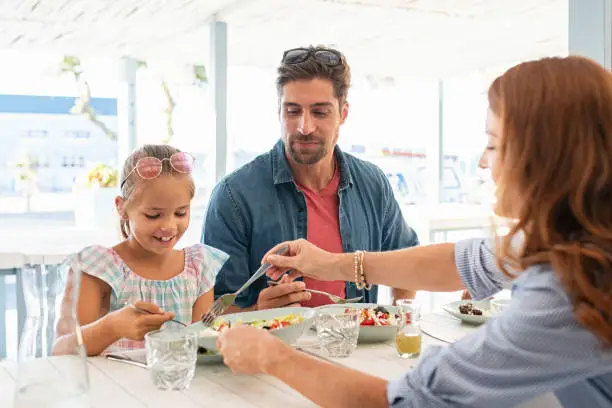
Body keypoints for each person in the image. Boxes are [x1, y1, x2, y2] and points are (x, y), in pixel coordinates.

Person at [216, 56, 612, 408]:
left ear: (542, 158)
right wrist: (331, 264)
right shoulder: (581, 245)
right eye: (292, 110)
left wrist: (273, 356)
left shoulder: (569, 290)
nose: (481, 163)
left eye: (493, 145)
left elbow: (407, 402)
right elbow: (467, 261)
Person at [202, 45, 419, 311]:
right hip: (272, 352)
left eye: (320, 112)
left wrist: (401, 323)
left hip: (358, 351)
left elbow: (408, 263)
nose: (305, 127)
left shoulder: (373, 184)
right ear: (279, 112)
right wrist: (257, 313)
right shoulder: (233, 196)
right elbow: (212, 313)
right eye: (292, 111)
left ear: (343, 114)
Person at [54, 144, 228, 356]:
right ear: (122, 208)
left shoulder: (199, 266)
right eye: (153, 215)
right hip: (111, 387)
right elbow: (61, 350)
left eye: (181, 213)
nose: (169, 227)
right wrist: (112, 326)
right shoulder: (98, 267)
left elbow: (202, 349)